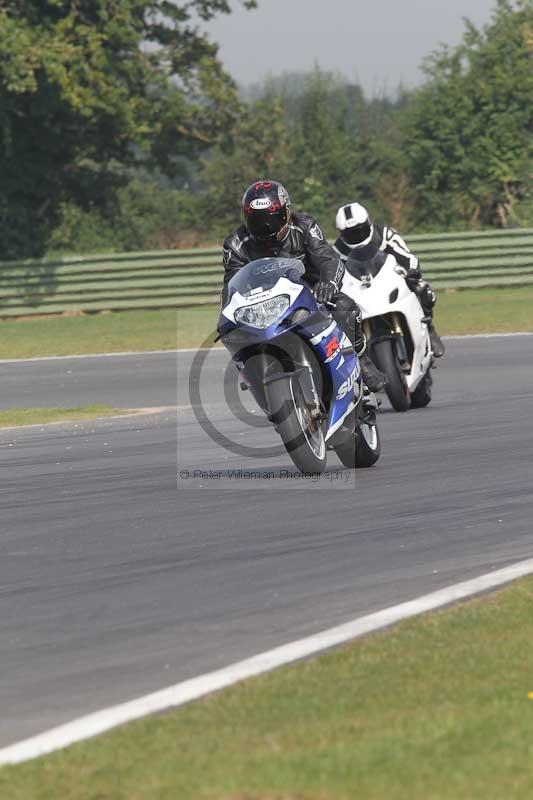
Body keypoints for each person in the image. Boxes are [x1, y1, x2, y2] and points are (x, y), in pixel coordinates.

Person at [221, 180, 386, 392]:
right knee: (236, 334)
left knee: (345, 306)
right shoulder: (235, 243)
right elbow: (231, 284)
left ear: (286, 212)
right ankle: (256, 379)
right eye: (257, 220)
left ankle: (362, 361)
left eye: (271, 219)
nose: (266, 227)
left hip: (310, 289)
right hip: (264, 302)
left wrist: (328, 283)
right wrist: (227, 315)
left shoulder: (304, 226)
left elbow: (328, 259)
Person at [333, 203, 445, 357]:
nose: (356, 236)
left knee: (422, 288)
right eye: (350, 233)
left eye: (360, 230)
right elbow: (333, 274)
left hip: (391, 279)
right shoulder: (337, 251)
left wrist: (412, 271)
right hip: (360, 289)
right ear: (341, 233)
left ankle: (430, 329)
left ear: (368, 223)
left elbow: (406, 255)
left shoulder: (384, 234)